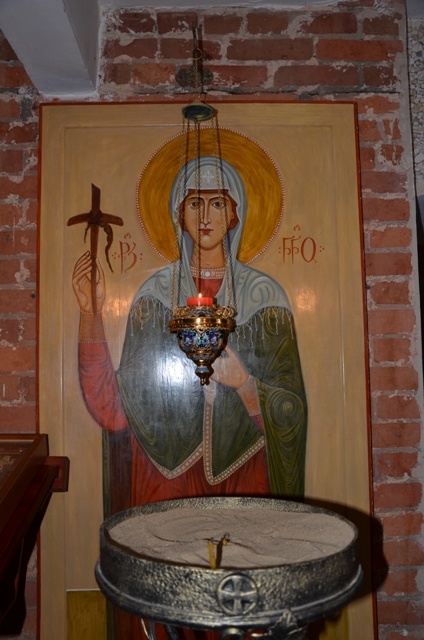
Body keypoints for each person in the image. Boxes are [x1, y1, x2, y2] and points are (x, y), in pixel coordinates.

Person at [72, 156, 307, 638]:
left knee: (237, 610)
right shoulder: (154, 297)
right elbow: (113, 409)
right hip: (165, 480)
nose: (205, 215)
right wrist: (91, 314)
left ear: (235, 214)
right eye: (194, 203)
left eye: (217, 203)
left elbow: (291, 412)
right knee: (170, 612)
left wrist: (246, 385)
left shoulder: (266, 299)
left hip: (244, 479)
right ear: (178, 214)